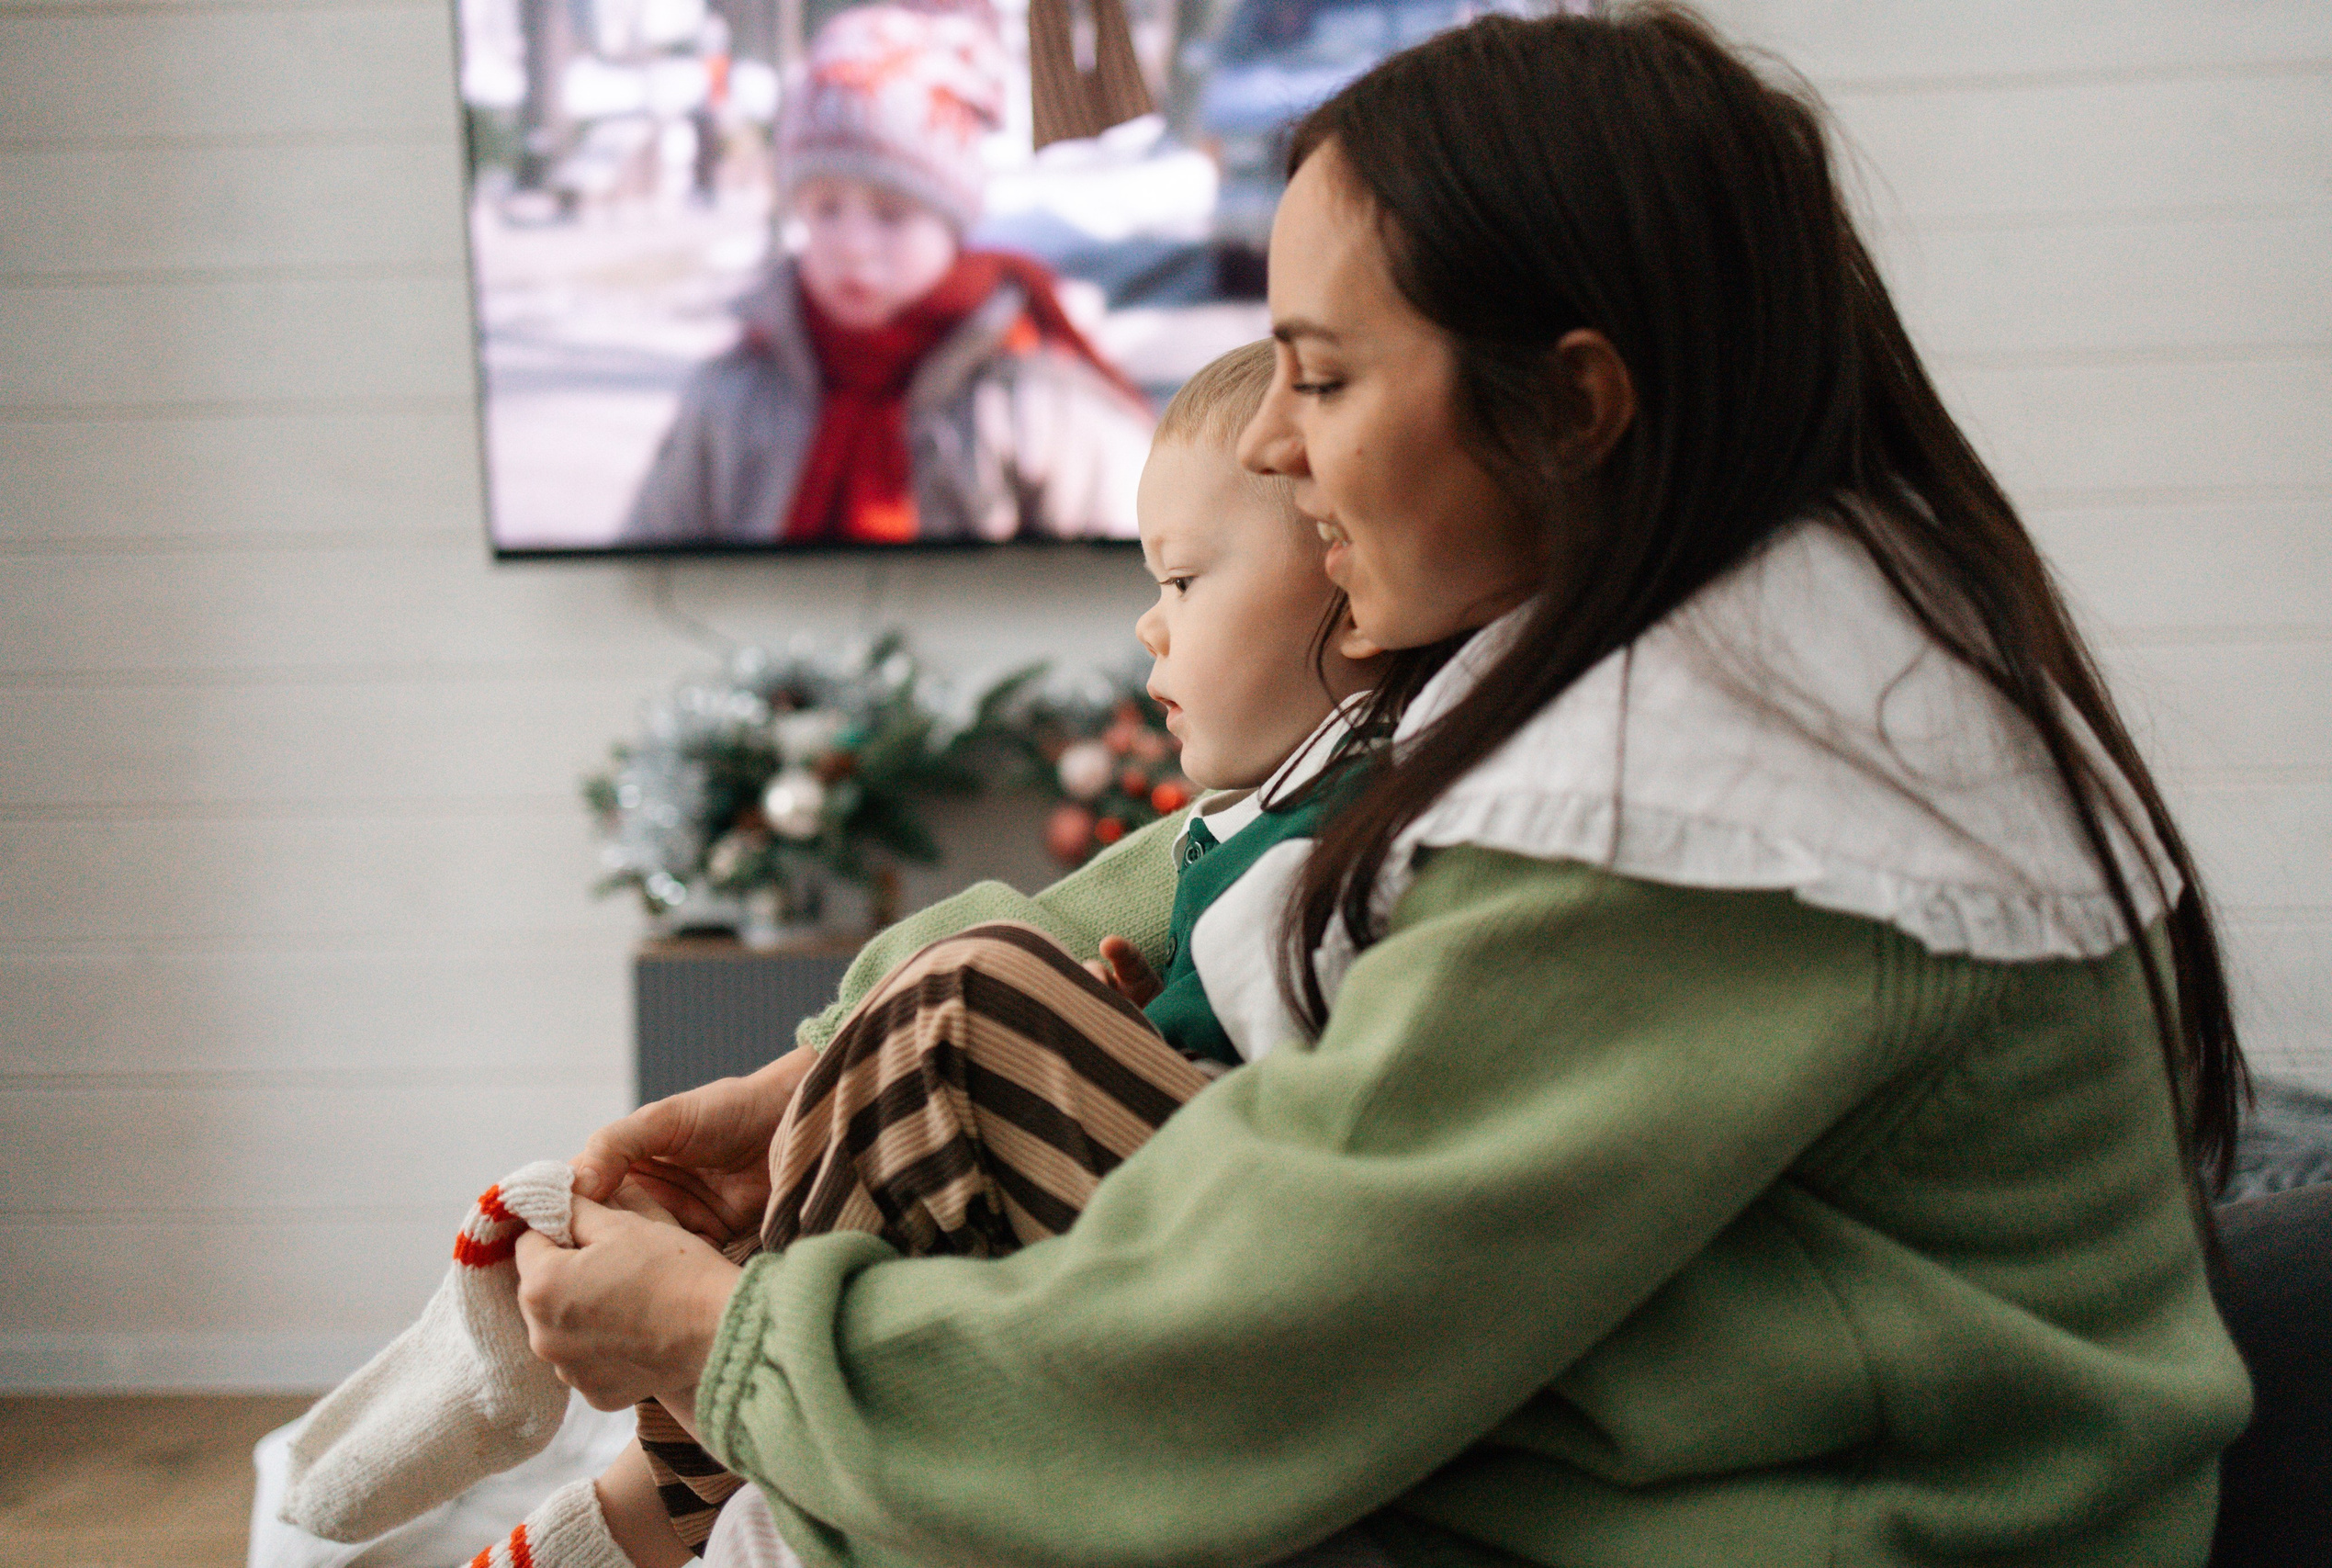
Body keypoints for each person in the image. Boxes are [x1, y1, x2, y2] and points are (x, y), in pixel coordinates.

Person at [521, 8, 2255, 1566]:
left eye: (1325, 376)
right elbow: (1229, 862)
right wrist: (828, 1057)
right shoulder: (1696, 628)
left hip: (1807, 1515)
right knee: (957, 1058)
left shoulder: (1717, 806)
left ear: (1573, 407)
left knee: (985, 1434)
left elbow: (1236, 1351)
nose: (1272, 442)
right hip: (1700, 1458)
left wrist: (723, 1338)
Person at [444, 340, 1380, 1568]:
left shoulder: (1341, 832)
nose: (1150, 620)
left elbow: (1290, 1127)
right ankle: (700, 1437)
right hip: (1217, 1256)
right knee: (943, 1036)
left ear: (1358, 581)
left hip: (1269, 1323)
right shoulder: (1271, 818)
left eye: (1188, 579)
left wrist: (1099, 1045)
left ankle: (671, 1474)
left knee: (955, 998)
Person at [620, 3, 1153, 547]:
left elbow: (1136, 588)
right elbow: (639, 580)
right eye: (826, 208)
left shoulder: (1034, 401)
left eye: (891, 215)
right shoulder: (734, 398)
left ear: (952, 225)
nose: (853, 246)